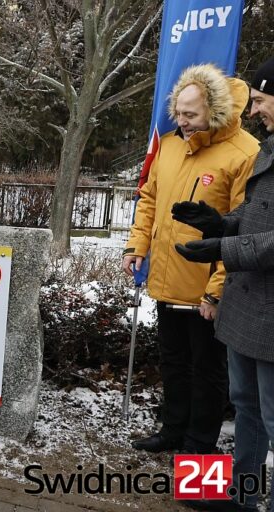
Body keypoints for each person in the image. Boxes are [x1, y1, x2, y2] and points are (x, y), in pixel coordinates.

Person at [122, 64, 259, 455]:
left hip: (207, 289)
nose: (181, 122)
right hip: (168, 280)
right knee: (174, 363)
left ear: (213, 110)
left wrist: (216, 292)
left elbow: (240, 229)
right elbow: (149, 198)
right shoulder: (169, 144)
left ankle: (198, 447)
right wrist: (137, 246)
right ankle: (173, 430)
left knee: (208, 372)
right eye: (177, 113)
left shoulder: (243, 153)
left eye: (191, 116)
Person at [173, 56, 274, 512]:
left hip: (268, 312)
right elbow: (255, 218)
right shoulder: (271, 148)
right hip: (246, 306)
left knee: (272, 417)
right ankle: (241, 495)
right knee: (246, 407)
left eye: (262, 101)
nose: (254, 111)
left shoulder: (248, 148)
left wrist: (221, 250)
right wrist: (220, 223)